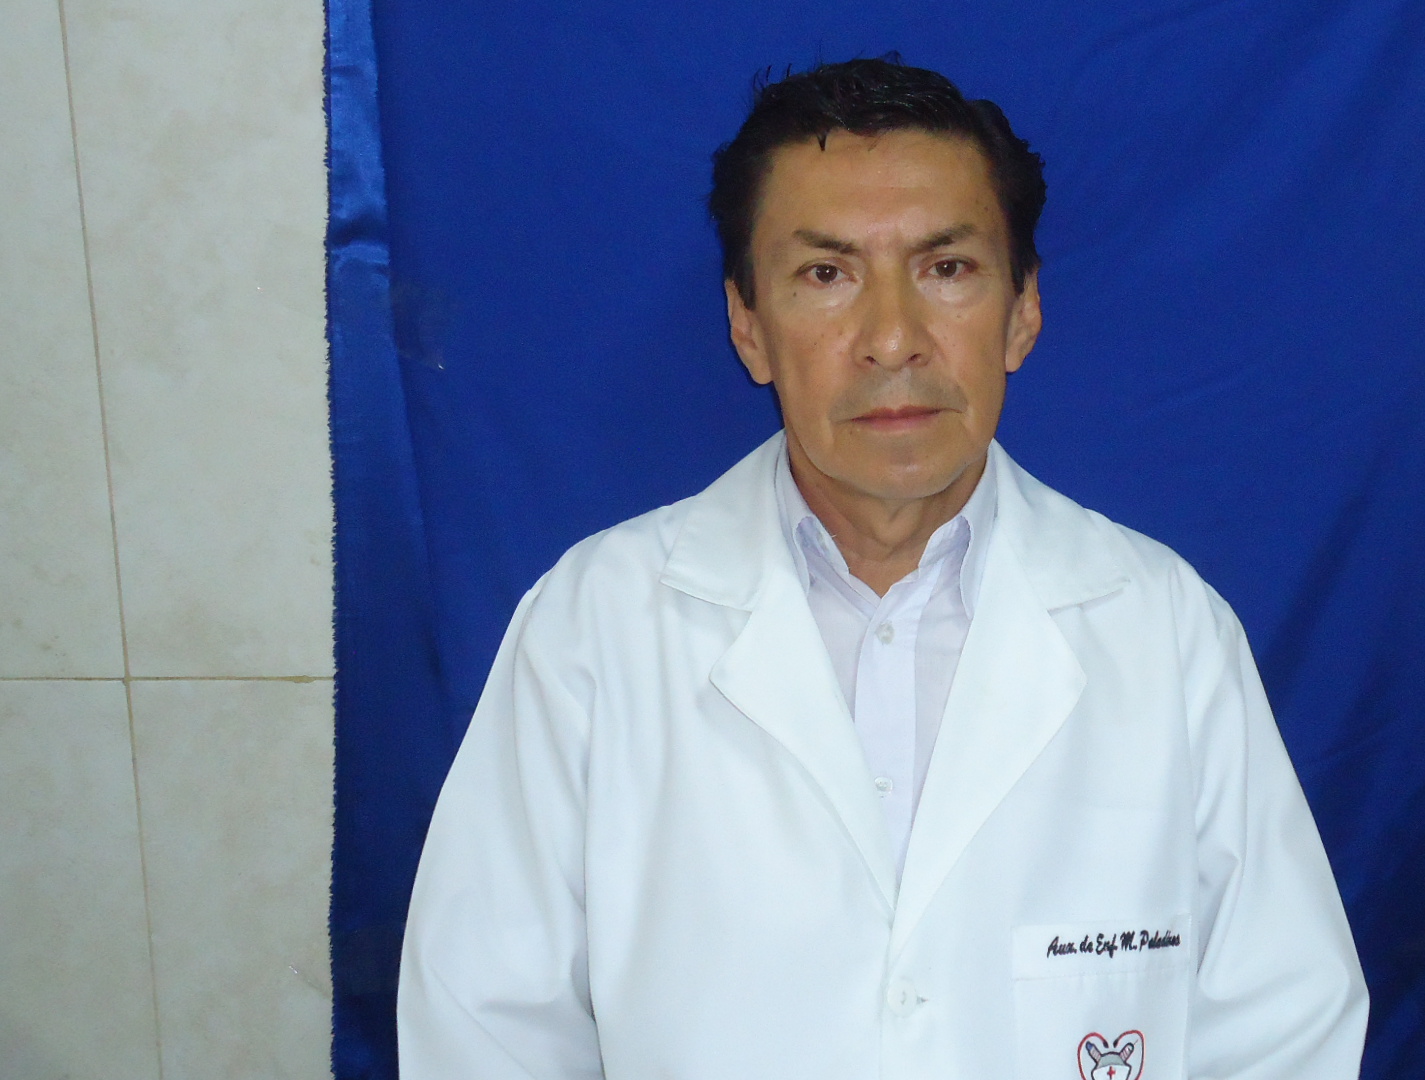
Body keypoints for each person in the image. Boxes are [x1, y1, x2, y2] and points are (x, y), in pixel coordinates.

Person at [398, 56, 1366, 1080]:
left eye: (947, 269)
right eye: (827, 275)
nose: (893, 340)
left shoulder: (1163, 628)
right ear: (748, 327)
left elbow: (1283, 1028)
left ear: (1022, 312)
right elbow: (485, 1031)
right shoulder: (593, 628)